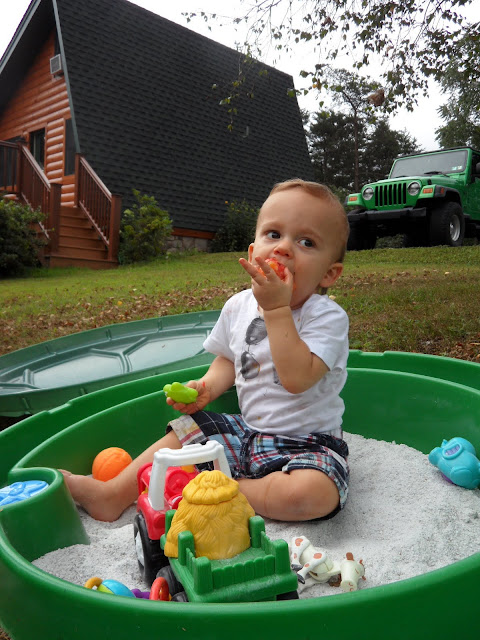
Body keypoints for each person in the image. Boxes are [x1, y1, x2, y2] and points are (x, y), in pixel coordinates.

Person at [62, 179, 350, 523]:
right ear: (252, 253)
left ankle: (222, 488)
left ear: (329, 274)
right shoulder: (238, 306)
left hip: (307, 444)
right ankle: (112, 494)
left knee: (312, 494)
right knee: (186, 431)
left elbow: (298, 378)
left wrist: (277, 310)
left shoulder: (327, 317)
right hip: (246, 432)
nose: (284, 248)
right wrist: (208, 388)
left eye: (306, 242)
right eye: (274, 234)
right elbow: (229, 358)